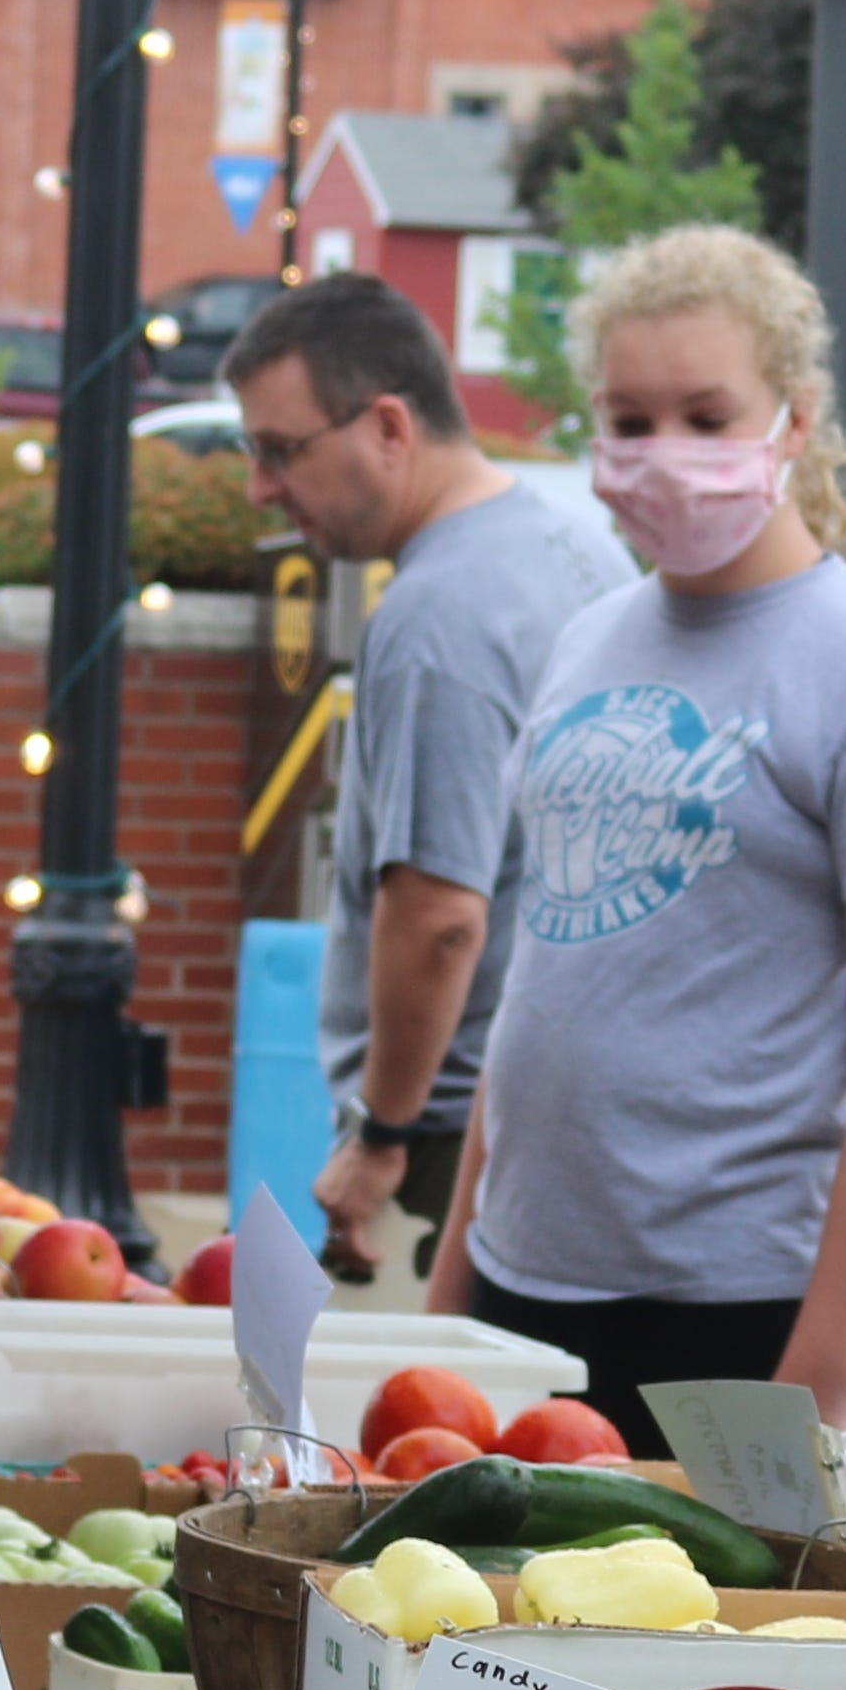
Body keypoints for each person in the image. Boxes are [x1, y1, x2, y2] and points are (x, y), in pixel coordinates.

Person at [427, 225, 846, 1444]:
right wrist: (450, 1294)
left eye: (707, 416)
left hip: (740, 1312)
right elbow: (538, 987)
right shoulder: (588, 639)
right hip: (523, 1291)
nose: (664, 452)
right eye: (630, 418)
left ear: (795, 417)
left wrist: (818, 1384)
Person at [230, 273, 620, 1288]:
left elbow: (441, 914)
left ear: (390, 428)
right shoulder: (578, 550)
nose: (260, 488)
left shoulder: (435, 617)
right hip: (574, 1106)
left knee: (437, 1389)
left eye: (280, 450)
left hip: (454, 1141)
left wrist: (383, 1134)